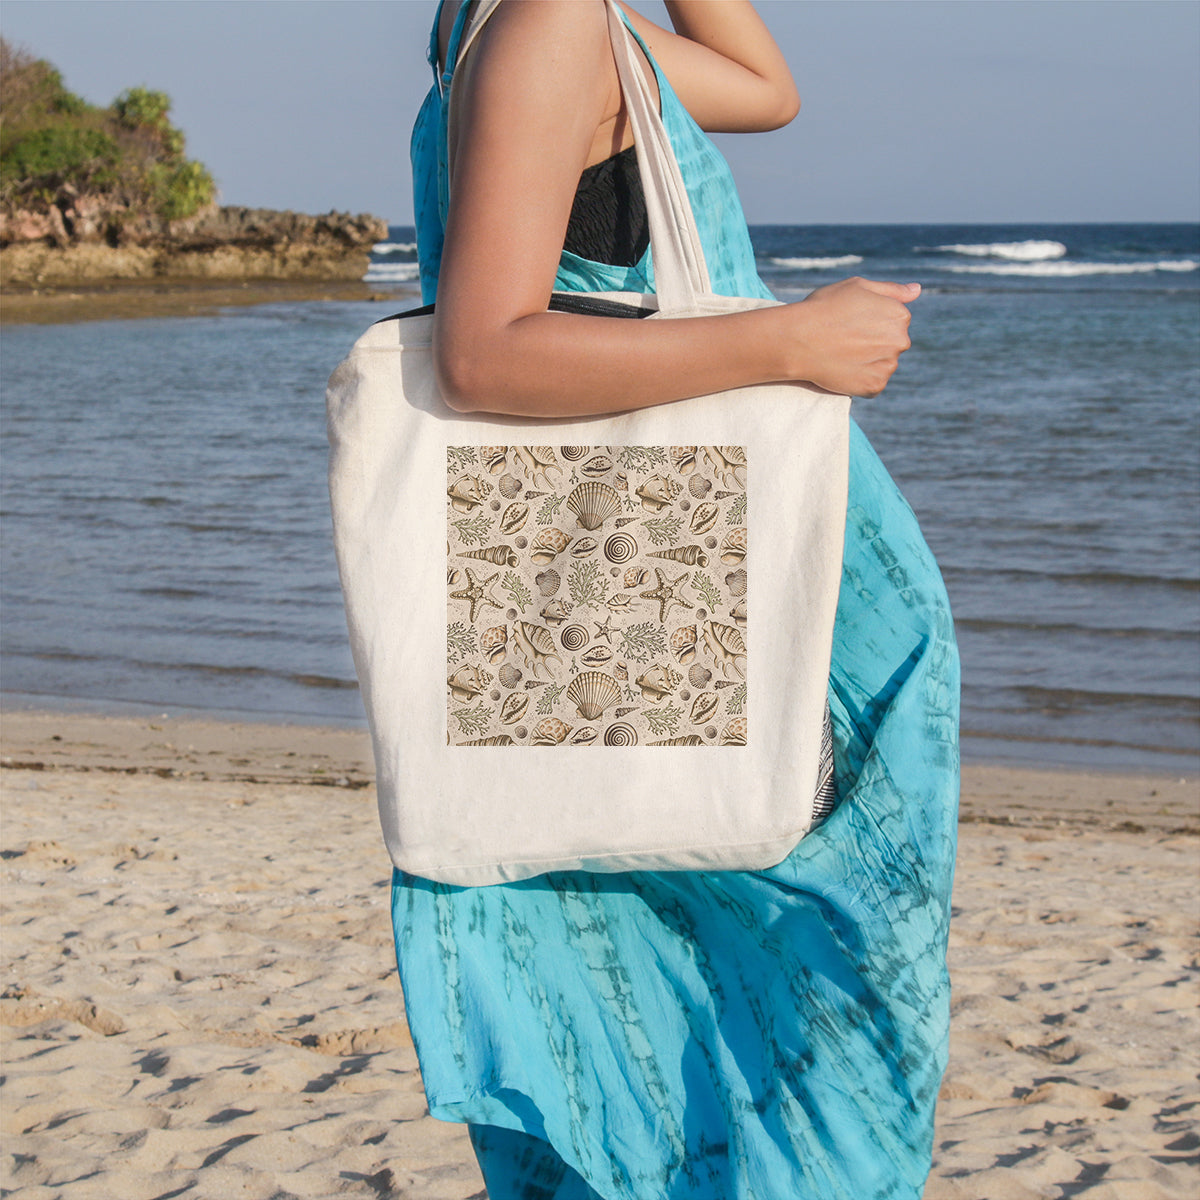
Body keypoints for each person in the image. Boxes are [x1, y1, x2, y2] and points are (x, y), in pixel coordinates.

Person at [398, 2, 960, 1196]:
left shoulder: (529, 22)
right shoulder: (548, 23)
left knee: (662, 982)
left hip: (651, 586)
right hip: (738, 601)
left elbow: (766, 85)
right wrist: (787, 341)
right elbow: (483, 352)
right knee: (822, 1020)